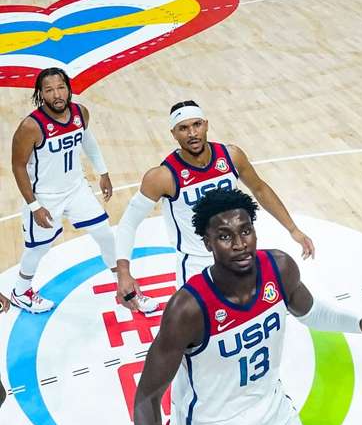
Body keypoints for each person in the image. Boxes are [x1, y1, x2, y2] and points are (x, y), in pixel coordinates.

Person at [132, 188, 362, 425]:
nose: (240, 244)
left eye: (245, 230)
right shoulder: (189, 309)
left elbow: (310, 312)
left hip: (276, 416)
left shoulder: (280, 268)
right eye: (225, 236)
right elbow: (147, 397)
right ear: (207, 243)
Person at [113, 101, 315, 312]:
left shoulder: (231, 156)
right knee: (195, 333)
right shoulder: (162, 176)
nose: (192, 133)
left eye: (197, 124)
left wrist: (293, 229)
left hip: (237, 256)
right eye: (183, 128)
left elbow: (260, 189)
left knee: (251, 318)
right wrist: (124, 273)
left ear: (206, 124)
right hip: (196, 264)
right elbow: (128, 223)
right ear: (173, 133)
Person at [9, 68, 117, 313]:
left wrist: (103, 172)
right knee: (38, 248)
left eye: (61, 88)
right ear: (41, 94)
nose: (56, 94)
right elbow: (17, 166)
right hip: (45, 198)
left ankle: (123, 283)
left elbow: (87, 141)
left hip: (77, 188)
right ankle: (20, 291)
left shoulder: (80, 113)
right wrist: (34, 206)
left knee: (105, 234)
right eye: (49, 90)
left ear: (68, 88)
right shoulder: (31, 126)